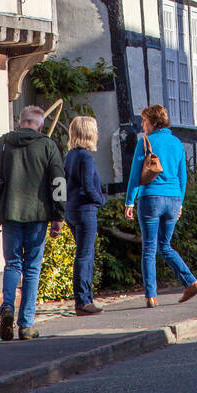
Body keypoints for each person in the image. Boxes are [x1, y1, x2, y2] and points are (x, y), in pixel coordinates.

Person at [0, 105, 66, 341]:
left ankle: (7, 307)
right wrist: (58, 215)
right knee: (31, 269)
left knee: (12, 264)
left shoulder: (4, 143)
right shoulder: (48, 145)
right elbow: (58, 180)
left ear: (20, 123)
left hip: (9, 213)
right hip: (38, 216)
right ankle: (26, 325)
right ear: (40, 126)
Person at [125, 104, 197, 308]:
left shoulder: (146, 141)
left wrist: (130, 201)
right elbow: (182, 177)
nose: (142, 124)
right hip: (174, 198)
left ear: (153, 122)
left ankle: (151, 296)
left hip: (151, 198)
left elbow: (135, 175)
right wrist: (180, 203)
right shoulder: (177, 143)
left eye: (144, 120)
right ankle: (191, 282)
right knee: (165, 245)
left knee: (149, 248)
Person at [63, 115, 107, 316]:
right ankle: (83, 300)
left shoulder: (70, 155)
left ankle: (85, 298)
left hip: (71, 209)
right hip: (85, 209)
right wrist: (100, 200)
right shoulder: (86, 157)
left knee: (83, 254)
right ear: (89, 134)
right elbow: (89, 186)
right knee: (85, 255)